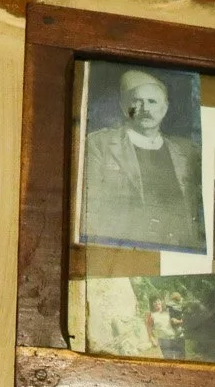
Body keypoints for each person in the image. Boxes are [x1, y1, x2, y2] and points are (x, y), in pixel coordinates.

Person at [82, 68, 206, 252]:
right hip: (122, 249)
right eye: (137, 101)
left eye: (152, 102)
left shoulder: (187, 152)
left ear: (165, 108)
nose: (146, 109)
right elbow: (90, 210)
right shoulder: (99, 144)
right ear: (125, 107)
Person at [143, 293, 186, 360]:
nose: (157, 303)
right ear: (152, 304)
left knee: (182, 360)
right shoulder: (151, 315)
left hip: (178, 338)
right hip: (164, 341)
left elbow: (183, 319)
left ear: (161, 301)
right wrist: (152, 339)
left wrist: (177, 321)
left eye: (158, 300)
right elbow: (149, 328)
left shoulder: (169, 310)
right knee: (169, 361)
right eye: (154, 302)